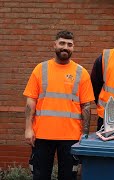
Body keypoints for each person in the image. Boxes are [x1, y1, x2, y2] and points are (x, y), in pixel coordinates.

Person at [24, 30, 94, 180]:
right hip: (42, 135)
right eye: (62, 43)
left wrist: (85, 134)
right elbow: (31, 102)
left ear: (73, 47)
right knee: (40, 176)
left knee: (68, 177)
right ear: (54, 45)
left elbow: (86, 106)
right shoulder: (40, 69)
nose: (65, 47)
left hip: (71, 137)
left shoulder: (81, 73)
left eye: (69, 44)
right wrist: (28, 128)